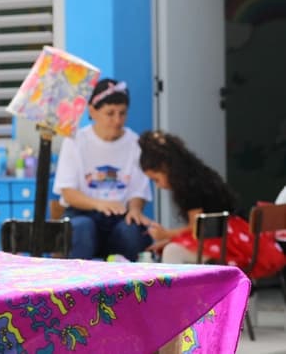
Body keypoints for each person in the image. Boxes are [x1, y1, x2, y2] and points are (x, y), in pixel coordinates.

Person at [139, 131, 286, 277]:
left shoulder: (189, 186)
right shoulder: (199, 174)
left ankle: (174, 298)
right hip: (237, 237)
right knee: (173, 248)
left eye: (156, 179)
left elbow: (196, 227)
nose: (157, 186)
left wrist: (166, 234)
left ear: (166, 167)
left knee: (171, 251)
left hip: (225, 243)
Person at [52, 78, 153, 261]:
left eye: (122, 113)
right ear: (93, 111)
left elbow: (138, 190)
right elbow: (68, 192)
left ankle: (130, 286)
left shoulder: (134, 143)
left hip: (119, 217)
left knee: (131, 232)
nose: (117, 120)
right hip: (82, 213)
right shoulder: (75, 141)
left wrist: (135, 209)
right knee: (82, 228)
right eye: (110, 113)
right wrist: (99, 204)